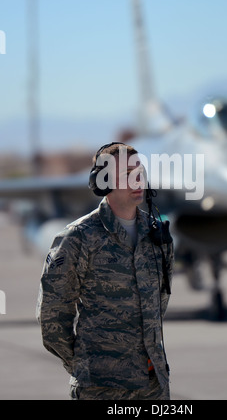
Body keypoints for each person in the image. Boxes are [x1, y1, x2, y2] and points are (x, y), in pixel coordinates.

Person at [36, 142, 174, 400]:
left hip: (153, 385)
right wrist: (84, 366)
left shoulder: (157, 235)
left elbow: (159, 303)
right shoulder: (78, 238)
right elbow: (52, 316)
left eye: (139, 172)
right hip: (100, 389)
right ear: (104, 182)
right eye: (126, 175)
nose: (137, 180)